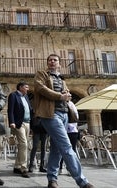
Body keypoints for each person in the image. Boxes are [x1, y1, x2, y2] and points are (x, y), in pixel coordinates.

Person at [33, 53, 94, 188]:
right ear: (47, 63)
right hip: (50, 114)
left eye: (55, 60)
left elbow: (66, 94)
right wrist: (60, 96)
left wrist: (67, 95)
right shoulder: (41, 74)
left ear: (59, 64)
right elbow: (41, 88)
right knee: (66, 146)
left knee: (57, 148)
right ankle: (82, 181)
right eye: (49, 60)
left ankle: (52, 179)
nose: (52, 62)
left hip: (64, 114)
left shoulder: (62, 79)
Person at [7, 81, 32, 178]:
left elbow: (29, 108)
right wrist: (11, 122)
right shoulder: (13, 95)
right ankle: (23, 168)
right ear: (20, 87)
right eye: (26, 87)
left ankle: (17, 166)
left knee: (22, 146)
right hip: (19, 123)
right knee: (24, 144)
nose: (28, 89)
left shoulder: (25, 97)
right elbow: (10, 110)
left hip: (27, 123)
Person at [59, 100, 79, 174]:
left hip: (72, 130)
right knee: (62, 150)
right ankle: (60, 167)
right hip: (67, 130)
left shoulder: (71, 104)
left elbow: (75, 117)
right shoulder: (61, 104)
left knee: (72, 150)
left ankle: (70, 168)